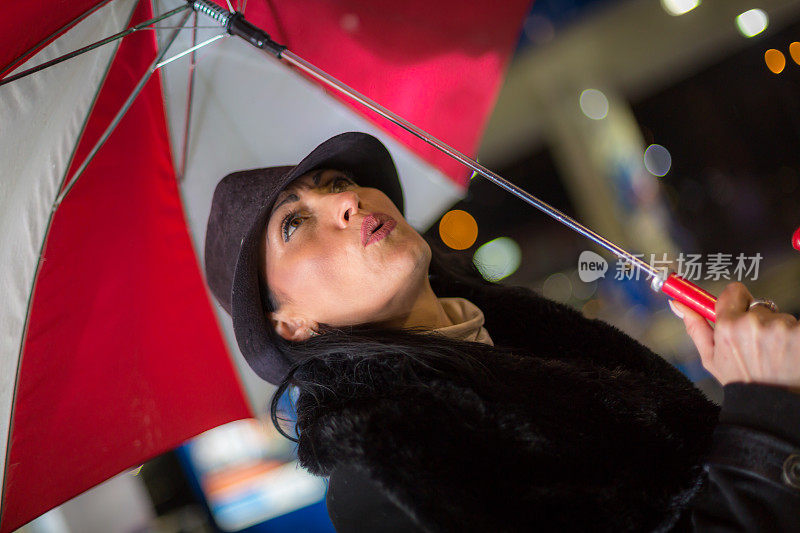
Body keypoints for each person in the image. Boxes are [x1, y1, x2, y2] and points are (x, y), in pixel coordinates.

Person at [203, 132, 800, 532]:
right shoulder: (382, 477)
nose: (346, 202)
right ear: (291, 322)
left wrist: (755, 386)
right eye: (295, 224)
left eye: (336, 183)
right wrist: (764, 419)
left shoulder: (531, 342)